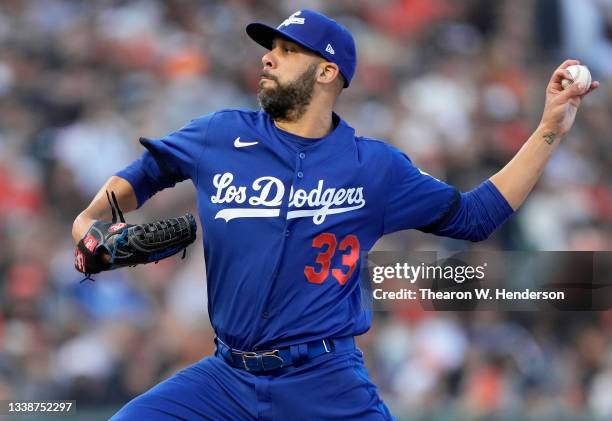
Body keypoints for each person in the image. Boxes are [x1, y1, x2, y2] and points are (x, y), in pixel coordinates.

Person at [71, 9, 599, 421]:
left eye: (286, 50)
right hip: (226, 379)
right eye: (269, 48)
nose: (268, 58)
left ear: (327, 71)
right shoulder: (218, 135)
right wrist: (89, 224)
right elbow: (139, 178)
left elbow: (475, 216)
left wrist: (550, 128)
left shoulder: (374, 168)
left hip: (323, 381)